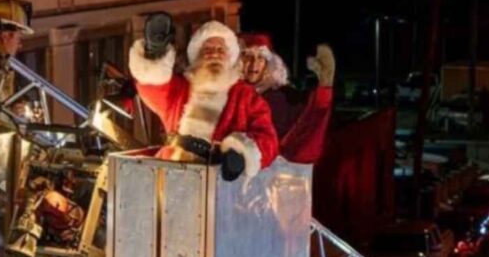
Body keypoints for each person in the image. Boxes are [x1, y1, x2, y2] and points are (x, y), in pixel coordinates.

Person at [129, 13, 278, 181]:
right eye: (208, 50)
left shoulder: (246, 97)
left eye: (220, 50)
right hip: (174, 175)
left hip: (220, 182)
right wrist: (154, 56)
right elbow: (154, 88)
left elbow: (268, 139)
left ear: (230, 57)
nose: (215, 54)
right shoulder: (182, 89)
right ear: (197, 57)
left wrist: (241, 155)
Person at [239, 33, 335, 164]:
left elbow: (304, 123)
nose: (254, 63)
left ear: (269, 64)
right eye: (248, 57)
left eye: (261, 58)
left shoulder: (280, 96)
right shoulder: (231, 94)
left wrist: (322, 94)